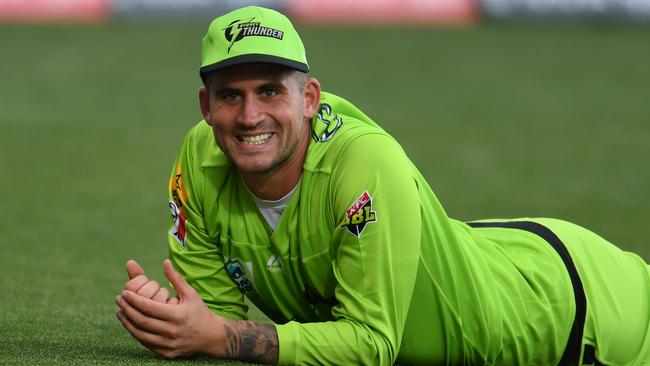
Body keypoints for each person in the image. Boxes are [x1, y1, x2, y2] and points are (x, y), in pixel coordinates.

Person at [115, 5, 650, 365]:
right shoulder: (199, 158)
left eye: (271, 91)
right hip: (501, 253)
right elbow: (215, 320)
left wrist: (218, 337)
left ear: (309, 98)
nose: (251, 115)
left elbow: (372, 346)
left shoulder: (364, 160)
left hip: (576, 317)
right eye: (231, 95)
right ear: (207, 106)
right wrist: (176, 319)